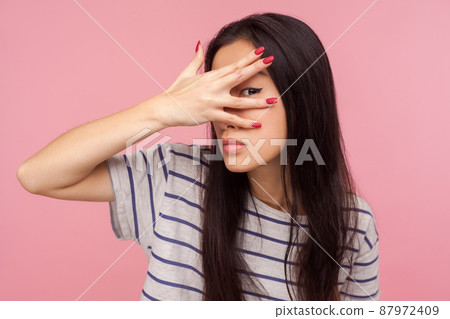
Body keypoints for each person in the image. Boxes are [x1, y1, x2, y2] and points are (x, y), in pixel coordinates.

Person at [16, 12, 379, 301]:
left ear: (302, 100)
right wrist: (162, 109)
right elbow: (37, 175)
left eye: (249, 93)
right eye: (218, 96)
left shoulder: (354, 225)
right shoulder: (177, 175)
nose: (227, 117)